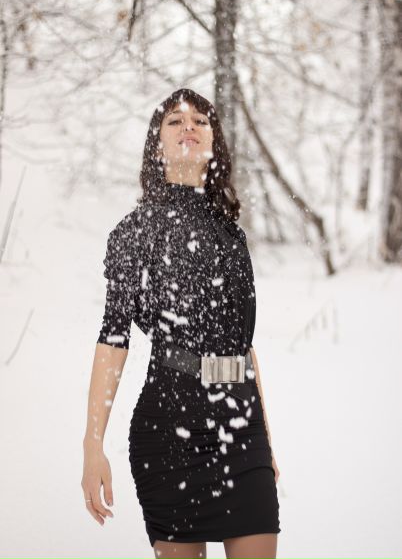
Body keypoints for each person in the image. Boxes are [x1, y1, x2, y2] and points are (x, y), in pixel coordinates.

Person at [82, 88, 281, 559]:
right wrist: (93, 444)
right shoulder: (134, 232)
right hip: (169, 429)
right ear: (158, 145)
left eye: (200, 120)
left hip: (242, 428)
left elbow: (244, 346)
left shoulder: (232, 235)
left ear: (214, 142)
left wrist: (265, 439)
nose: (189, 126)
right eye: (174, 120)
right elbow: (113, 339)